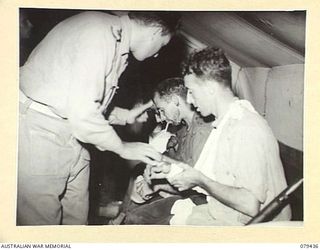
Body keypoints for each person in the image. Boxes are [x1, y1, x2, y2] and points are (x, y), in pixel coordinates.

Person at [18, 11, 180, 225]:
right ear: (155, 32)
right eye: (162, 44)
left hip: (71, 135)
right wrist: (123, 147)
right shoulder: (99, 34)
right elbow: (82, 114)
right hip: (43, 133)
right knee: (41, 226)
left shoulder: (115, 42)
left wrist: (126, 116)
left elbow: (80, 100)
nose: (158, 54)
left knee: (76, 220)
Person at [150, 47, 292, 225]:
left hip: (253, 227)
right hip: (223, 213)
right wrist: (170, 168)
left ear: (210, 88)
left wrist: (200, 180)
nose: (191, 101)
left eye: (191, 92)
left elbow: (249, 204)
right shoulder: (225, 122)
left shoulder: (244, 127)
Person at [123, 77, 212, 224]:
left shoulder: (202, 131)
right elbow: (173, 158)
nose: (161, 118)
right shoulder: (183, 128)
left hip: (198, 201)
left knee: (136, 220)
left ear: (176, 101)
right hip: (182, 194)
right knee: (134, 215)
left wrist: (156, 185)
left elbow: (196, 185)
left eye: (162, 110)